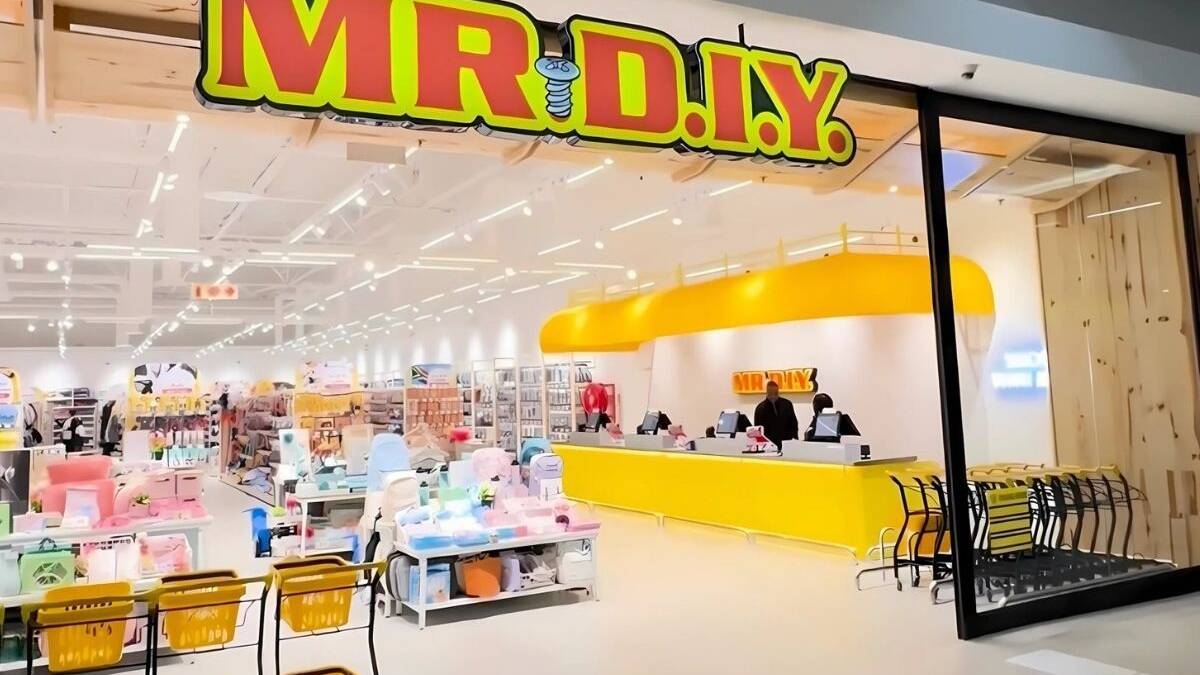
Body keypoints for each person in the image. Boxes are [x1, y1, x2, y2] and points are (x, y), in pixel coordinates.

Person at [753, 381, 799, 449]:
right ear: (767, 392)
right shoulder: (760, 409)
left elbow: (793, 424)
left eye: (775, 393)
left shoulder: (787, 404)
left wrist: (794, 441)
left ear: (778, 392)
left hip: (787, 443)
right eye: (770, 394)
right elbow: (759, 431)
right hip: (769, 446)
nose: (773, 396)